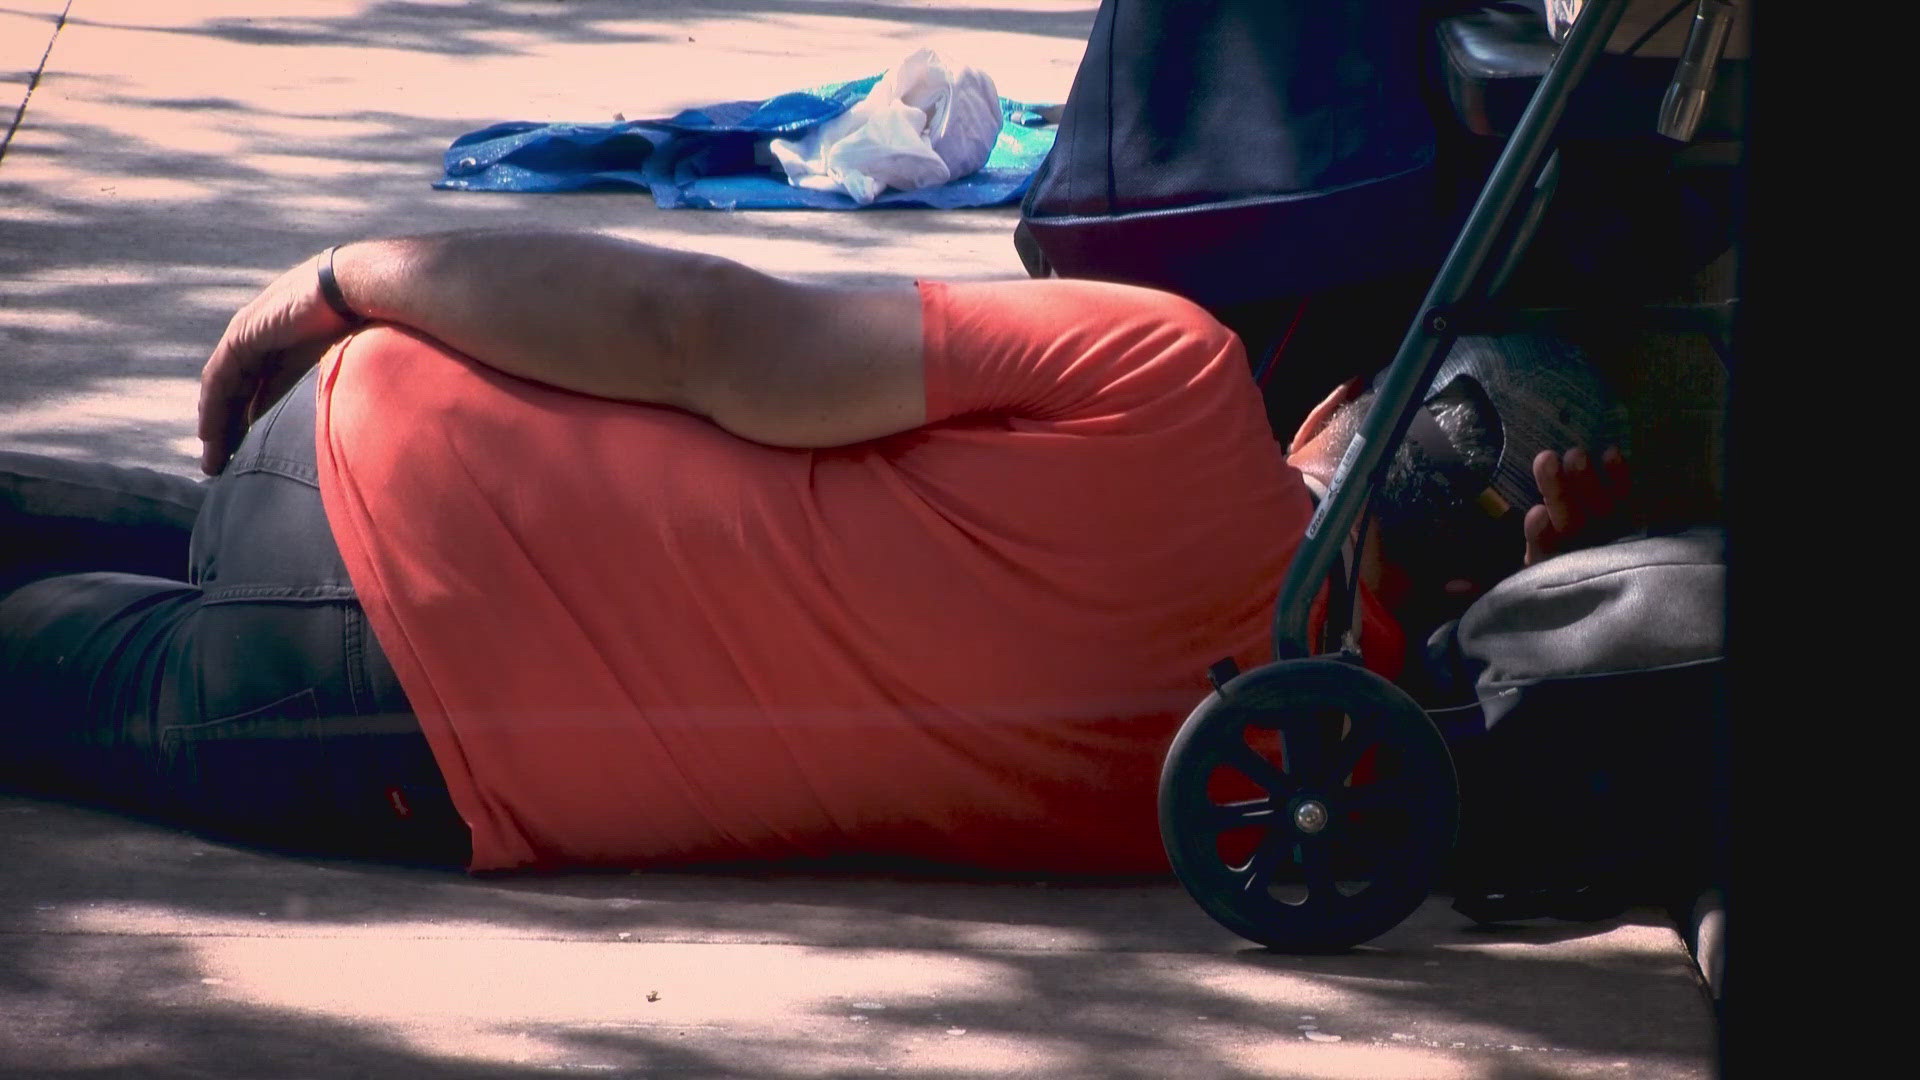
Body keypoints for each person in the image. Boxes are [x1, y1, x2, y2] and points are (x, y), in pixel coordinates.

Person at [0, 229, 1629, 873]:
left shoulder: (1168, 378)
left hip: (367, 450)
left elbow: (696, 328)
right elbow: (1562, 759)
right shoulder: (1302, 801)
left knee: (130, 525)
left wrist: (342, 281)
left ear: (1349, 398)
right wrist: (1550, 607)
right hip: (371, 742)